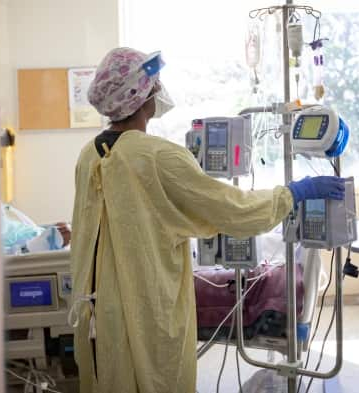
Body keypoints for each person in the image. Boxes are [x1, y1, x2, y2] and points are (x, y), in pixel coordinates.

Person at [70, 47, 345, 393]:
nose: (159, 92)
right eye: (154, 85)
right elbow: (233, 209)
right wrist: (292, 194)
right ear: (141, 97)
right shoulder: (157, 157)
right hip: (144, 314)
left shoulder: (90, 154)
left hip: (97, 314)